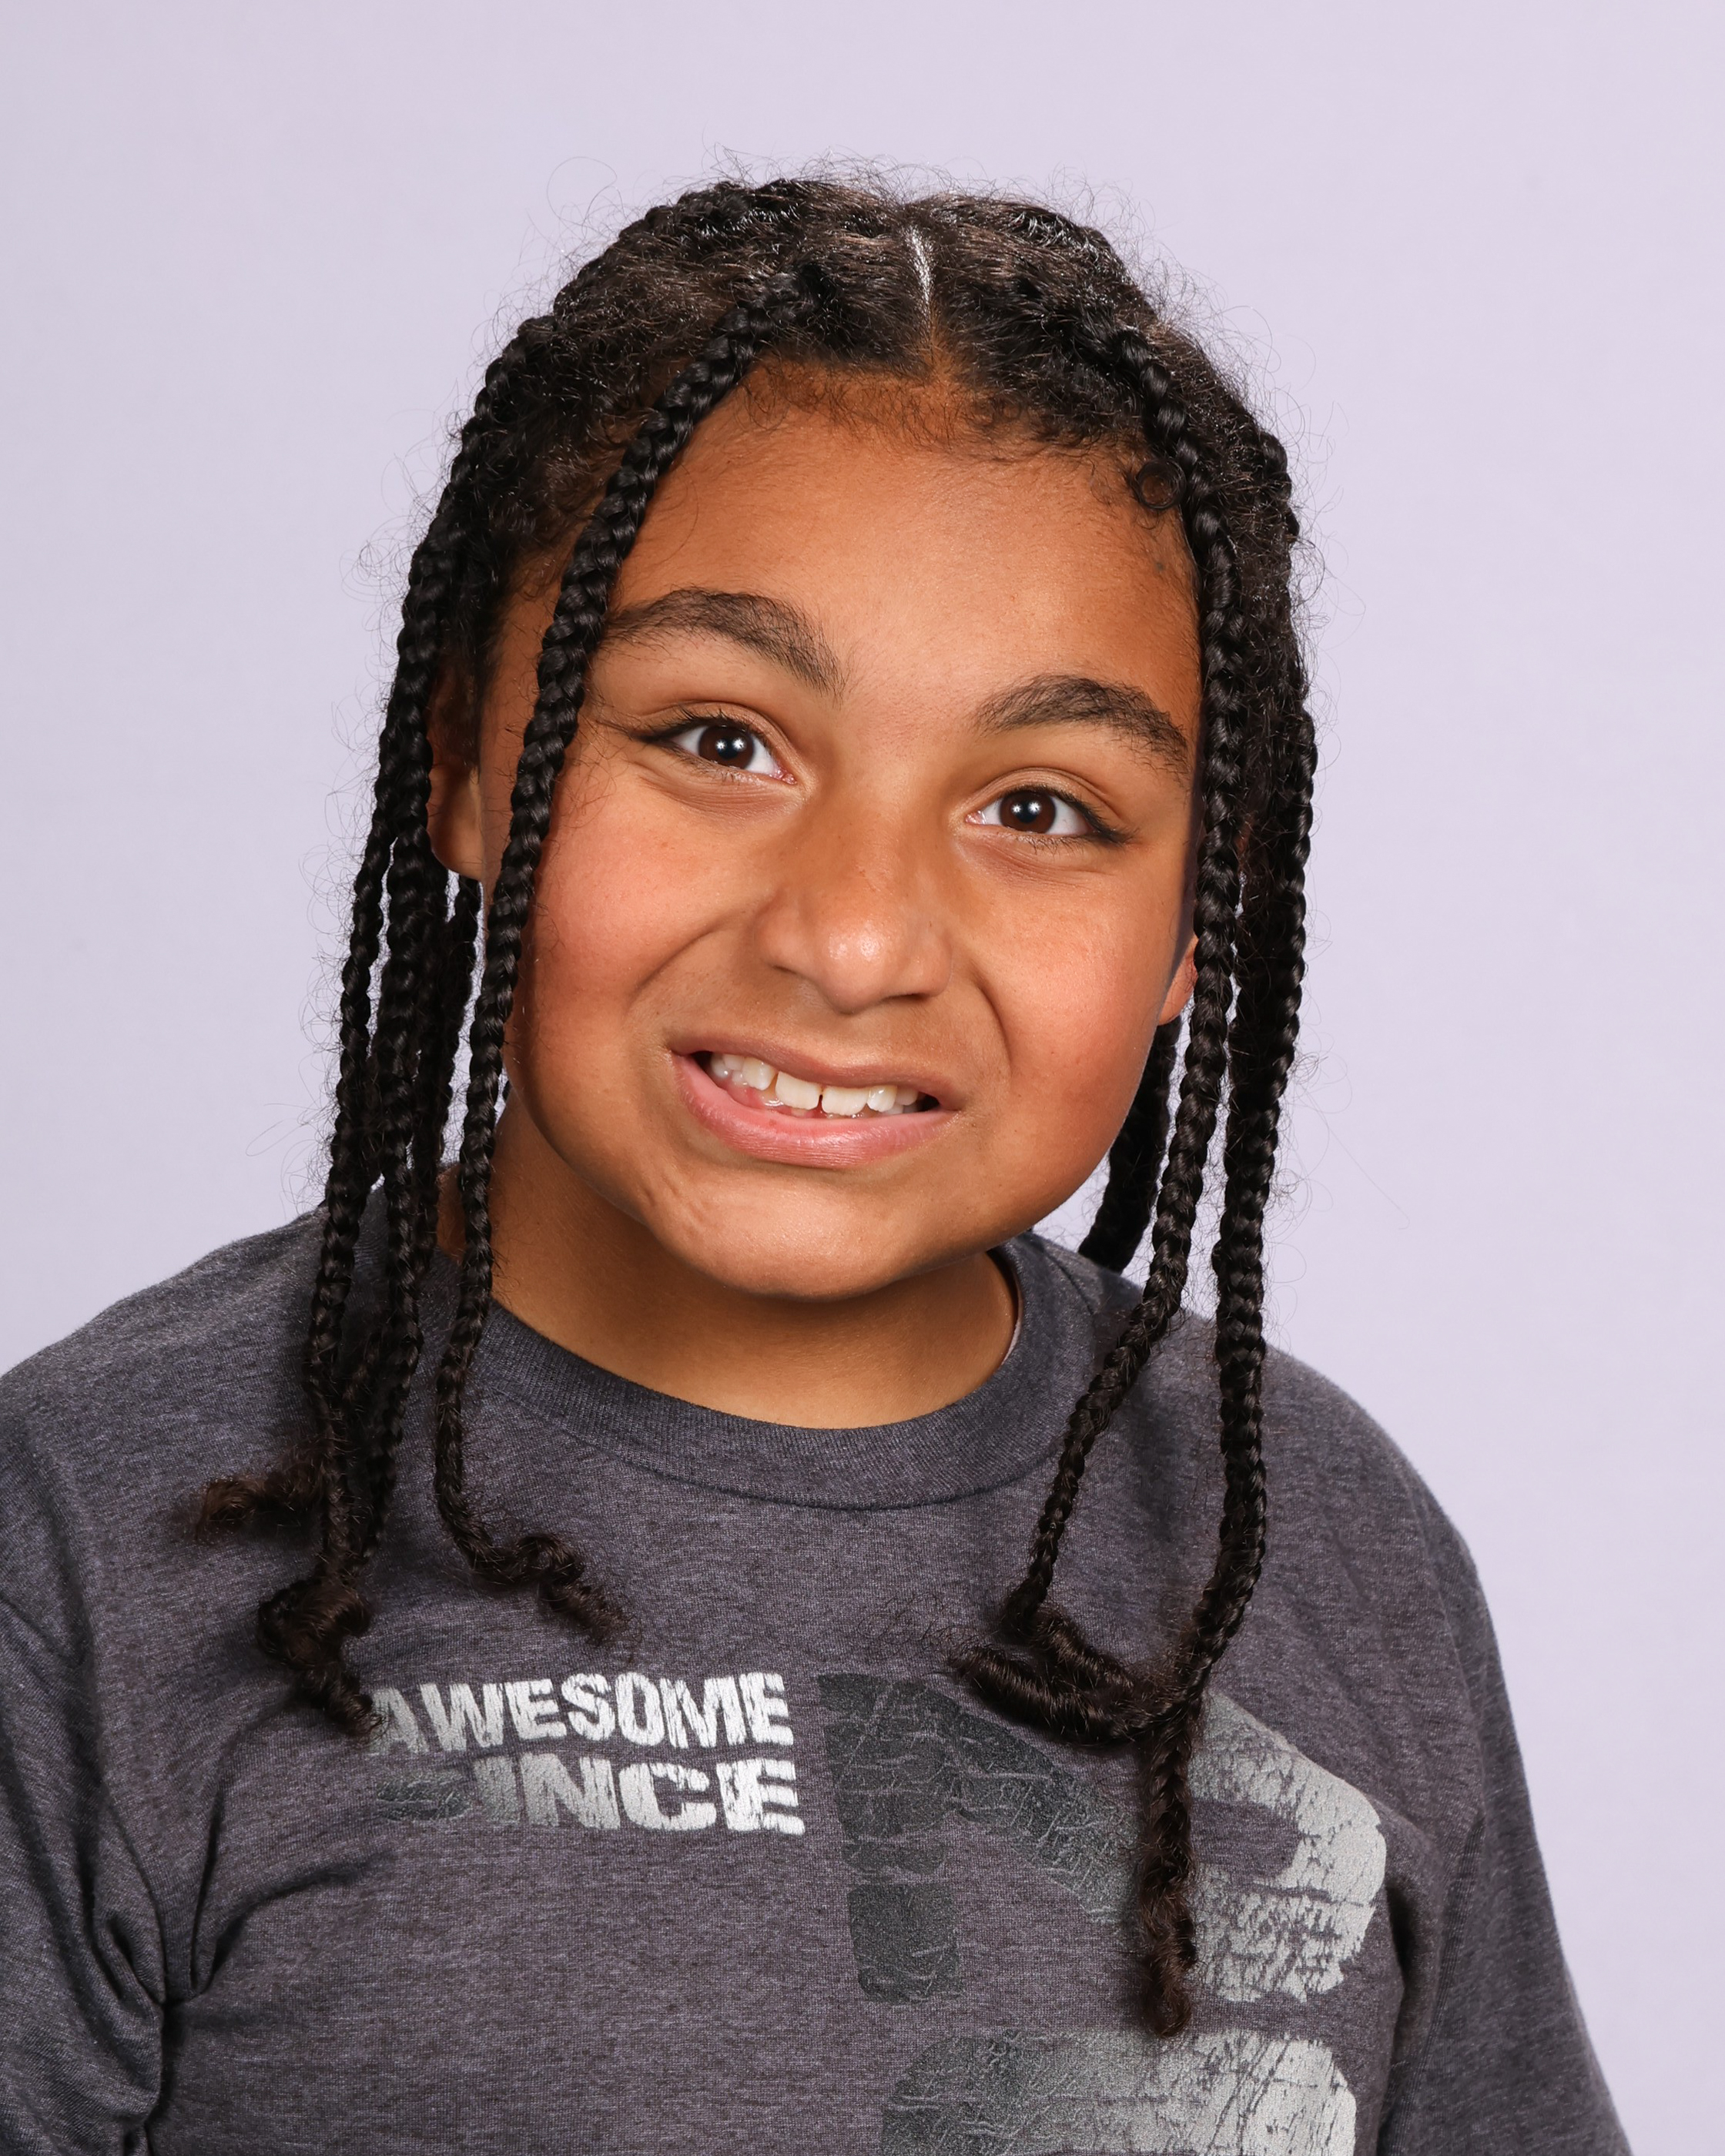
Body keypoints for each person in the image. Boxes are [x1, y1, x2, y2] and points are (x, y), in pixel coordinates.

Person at [0, 179, 1625, 2154]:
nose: (853, 938)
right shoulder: (84, 1543)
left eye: (1041, 805)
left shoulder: (1318, 1543)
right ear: (463, 760)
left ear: (1204, 910)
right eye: (717, 740)